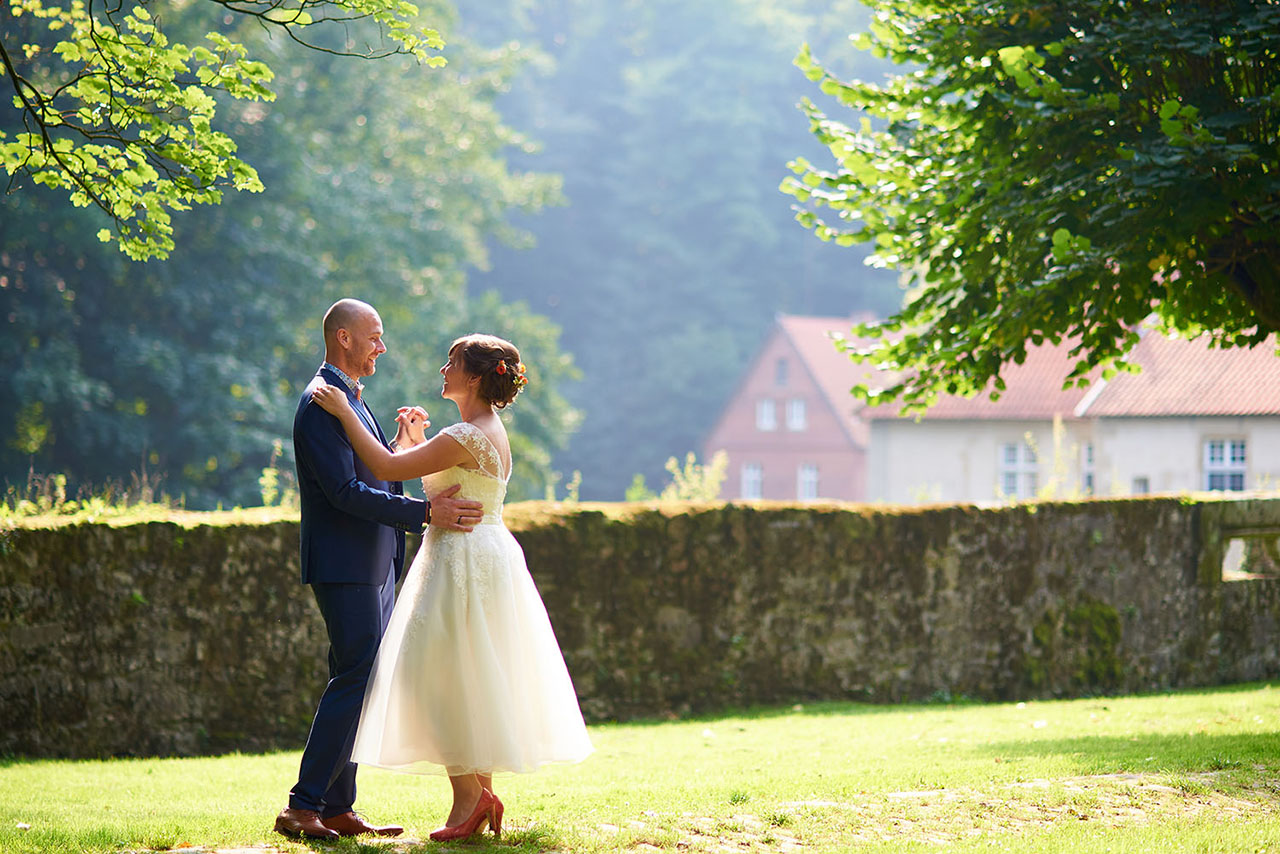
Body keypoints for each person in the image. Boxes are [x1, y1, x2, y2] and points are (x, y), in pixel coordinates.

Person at [310, 332, 593, 842]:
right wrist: (414, 439)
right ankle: (474, 799)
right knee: (468, 673)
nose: (443, 369)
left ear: (477, 376)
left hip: (462, 559)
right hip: (477, 553)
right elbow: (431, 473)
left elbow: (386, 468)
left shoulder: (467, 432)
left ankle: (471, 798)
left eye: (452, 362)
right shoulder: (474, 430)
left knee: (437, 677)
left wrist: (345, 409)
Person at [274, 299, 485, 840]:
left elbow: (372, 474)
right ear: (343, 337)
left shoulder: (348, 398)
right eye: (374, 337)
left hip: (371, 560)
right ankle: (302, 806)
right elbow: (344, 493)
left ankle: (339, 806)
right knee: (359, 674)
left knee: (357, 677)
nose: (381, 347)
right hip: (345, 562)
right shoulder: (323, 402)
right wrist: (425, 512)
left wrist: (400, 446)